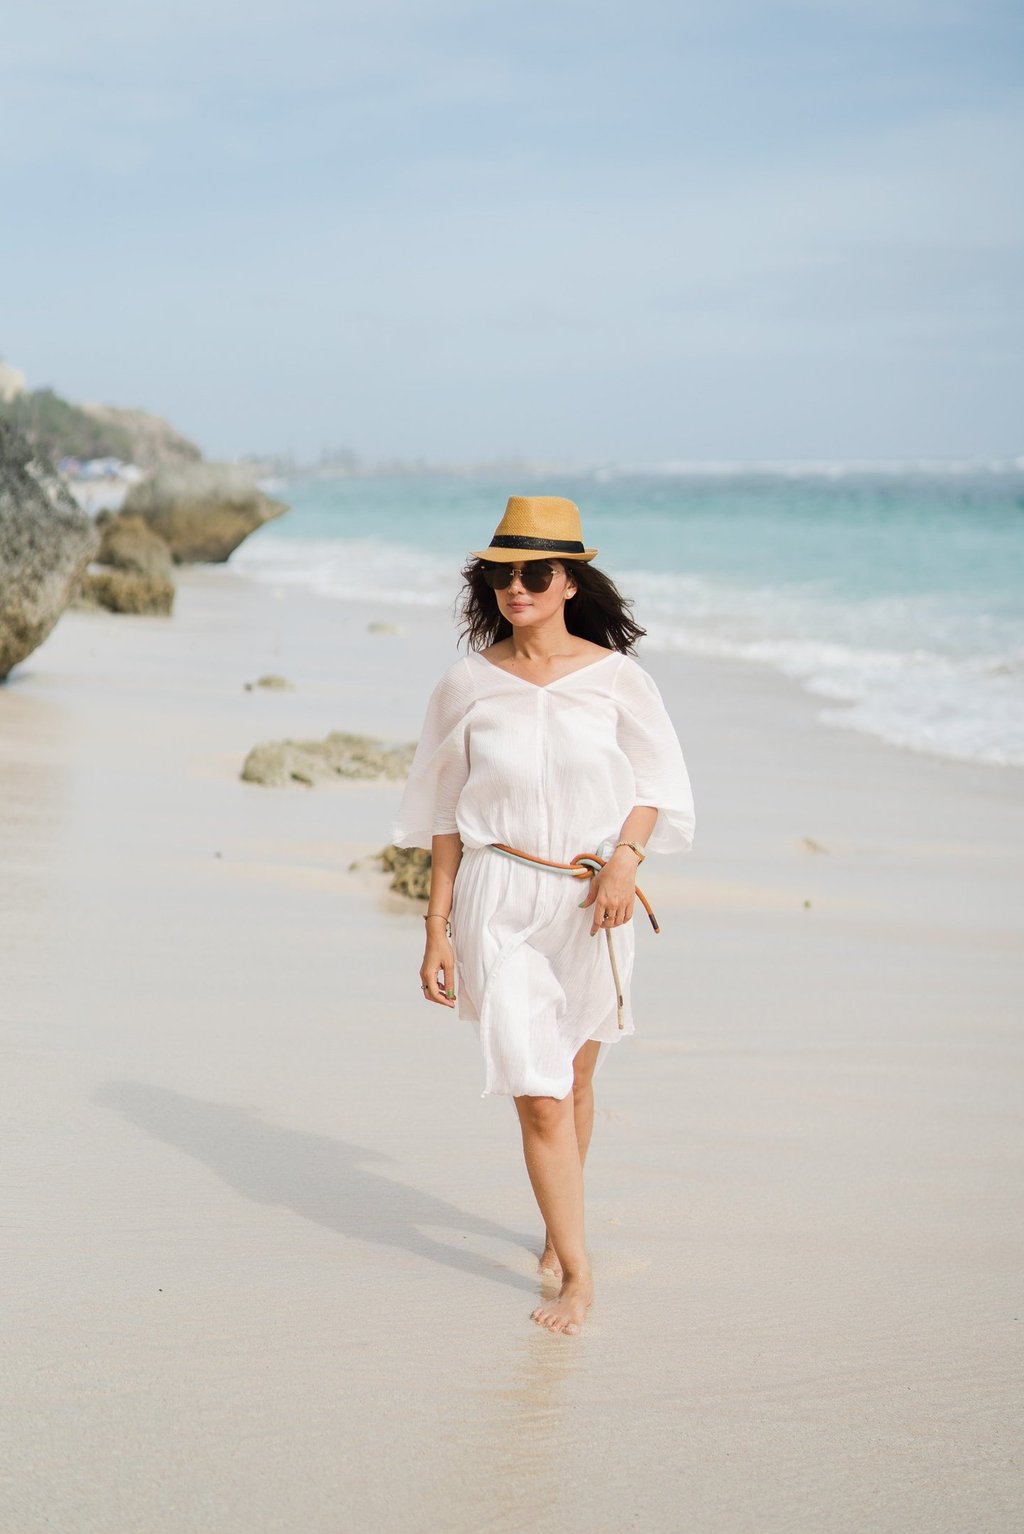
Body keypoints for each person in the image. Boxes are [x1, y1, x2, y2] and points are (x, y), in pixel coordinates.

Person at [391, 495, 695, 1336]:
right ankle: (580, 1275)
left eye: (533, 573)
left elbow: (660, 791)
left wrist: (626, 863)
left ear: (569, 581)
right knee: (539, 1093)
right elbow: (443, 814)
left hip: (594, 903)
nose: (515, 586)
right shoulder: (466, 684)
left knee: (578, 1078)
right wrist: (436, 927)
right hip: (500, 900)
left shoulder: (619, 680)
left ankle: (561, 1233)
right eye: (501, 573)